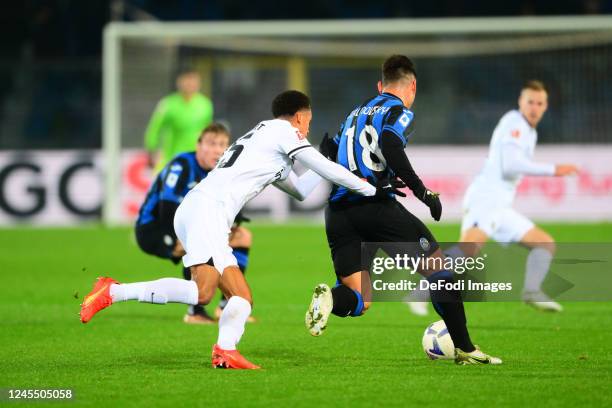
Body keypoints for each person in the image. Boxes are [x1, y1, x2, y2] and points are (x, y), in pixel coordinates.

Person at [80, 90, 401, 369]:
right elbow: (323, 167)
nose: (308, 128)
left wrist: (325, 156)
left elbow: (302, 190)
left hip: (199, 209)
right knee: (222, 295)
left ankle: (216, 346)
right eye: (309, 121)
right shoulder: (281, 132)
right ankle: (216, 346)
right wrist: (371, 189)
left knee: (221, 295)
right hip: (209, 211)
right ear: (301, 118)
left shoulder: (265, 138)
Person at [306, 55, 501, 365]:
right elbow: (389, 142)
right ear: (412, 85)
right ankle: (466, 349)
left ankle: (329, 298)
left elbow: (328, 149)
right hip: (376, 208)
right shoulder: (399, 111)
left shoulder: (354, 113)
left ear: (380, 85)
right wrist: (422, 192)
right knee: (441, 273)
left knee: (360, 298)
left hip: (339, 214)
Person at [407, 80, 578, 315]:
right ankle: (421, 289)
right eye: (530, 102)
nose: (534, 108)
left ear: (546, 106)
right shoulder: (514, 123)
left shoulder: (529, 131)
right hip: (486, 199)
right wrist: (553, 169)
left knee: (544, 244)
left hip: (499, 205)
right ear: (521, 102)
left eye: (540, 103)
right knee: (468, 249)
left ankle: (531, 291)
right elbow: (510, 165)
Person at [136, 123, 253, 324]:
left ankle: (225, 307)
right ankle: (194, 312)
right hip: (154, 228)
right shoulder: (182, 165)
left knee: (242, 236)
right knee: (195, 245)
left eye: (223, 144)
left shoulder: (221, 171)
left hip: (191, 229)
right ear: (199, 146)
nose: (217, 149)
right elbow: (166, 208)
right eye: (212, 143)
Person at [144, 70, 214, 170]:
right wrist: (151, 152)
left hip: (196, 160)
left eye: (193, 81)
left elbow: (209, 131)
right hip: (171, 159)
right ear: (179, 82)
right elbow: (154, 129)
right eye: (187, 81)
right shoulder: (168, 105)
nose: (190, 84)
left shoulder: (205, 105)